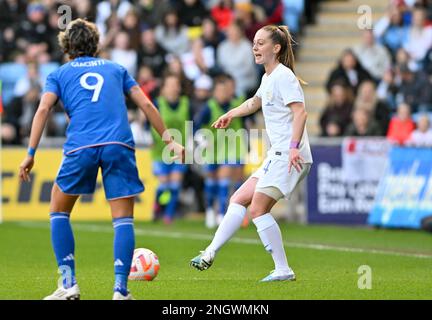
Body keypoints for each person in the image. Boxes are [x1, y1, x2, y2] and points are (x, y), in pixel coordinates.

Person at [18, 19, 184, 300]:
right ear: (96, 44)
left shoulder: (59, 74)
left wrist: (30, 153)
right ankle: (120, 290)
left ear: (67, 45)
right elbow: (145, 104)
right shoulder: (116, 69)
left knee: (58, 211)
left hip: (81, 145)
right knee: (122, 219)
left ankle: (68, 284)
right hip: (118, 143)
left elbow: (43, 108)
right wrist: (169, 139)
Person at [190, 25, 312, 282]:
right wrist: (230, 113)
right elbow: (255, 102)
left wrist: (292, 149)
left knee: (257, 209)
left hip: (289, 154)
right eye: (254, 43)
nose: (254, 47)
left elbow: (300, 112)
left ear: (275, 48)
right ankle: (210, 252)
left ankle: (283, 269)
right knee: (238, 198)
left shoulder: (284, 76)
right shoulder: (268, 77)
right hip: (276, 155)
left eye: (260, 43)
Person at [193, 74, 247, 228]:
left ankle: (221, 214)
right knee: (211, 182)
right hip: (211, 149)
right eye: (219, 91)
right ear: (214, 92)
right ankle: (210, 210)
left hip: (230, 149)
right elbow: (196, 124)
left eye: (225, 90)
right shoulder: (209, 107)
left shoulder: (236, 105)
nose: (223, 94)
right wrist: (199, 137)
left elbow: (243, 124)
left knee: (224, 181)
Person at [150, 73, 191, 224]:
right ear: (164, 88)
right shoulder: (157, 103)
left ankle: (169, 215)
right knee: (163, 185)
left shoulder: (186, 103)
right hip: (160, 151)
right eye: (170, 85)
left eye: (176, 85)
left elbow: (193, 123)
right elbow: (150, 124)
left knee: (175, 184)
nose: (174, 88)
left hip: (180, 151)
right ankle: (157, 205)